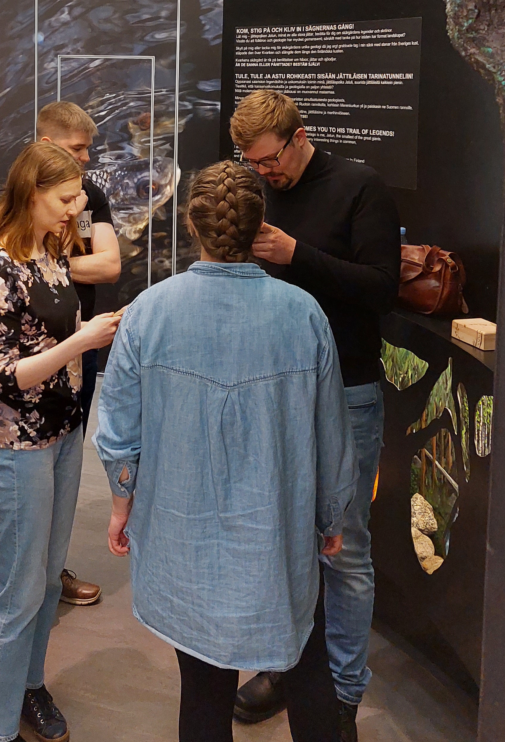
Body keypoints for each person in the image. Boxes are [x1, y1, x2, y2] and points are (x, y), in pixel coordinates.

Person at [93, 161, 359, 742]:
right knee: (309, 664)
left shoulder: (148, 313)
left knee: (204, 687)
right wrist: (333, 514)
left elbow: (117, 431)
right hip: (279, 532)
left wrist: (121, 503)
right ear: (258, 225)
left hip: (185, 539)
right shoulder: (303, 315)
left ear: (192, 223)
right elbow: (331, 432)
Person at [228, 90, 401, 742]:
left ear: (300, 136)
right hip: (273, 392)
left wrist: (298, 255)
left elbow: (380, 290)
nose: (263, 174)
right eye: (252, 165)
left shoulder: (361, 187)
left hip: (347, 393)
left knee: (345, 551)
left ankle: (344, 693)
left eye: (269, 161)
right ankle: (285, 668)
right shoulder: (261, 193)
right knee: (282, 543)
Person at [0, 141, 120, 742]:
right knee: (19, 591)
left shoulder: (51, 252)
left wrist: (92, 332)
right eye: (64, 199)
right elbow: (5, 373)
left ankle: (29, 686)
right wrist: (83, 342)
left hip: (62, 433)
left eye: (79, 197)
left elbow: (54, 338)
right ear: (32, 193)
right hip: (19, 445)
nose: (75, 210)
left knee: (47, 575)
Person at [37, 100, 123, 607]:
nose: (88, 158)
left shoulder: (90, 195)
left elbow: (109, 265)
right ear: (47, 147)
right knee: (35, 466)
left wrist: (53, 264)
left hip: (82, 345)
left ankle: (53, 571)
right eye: (77, 149)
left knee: (69, 457)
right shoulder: (15, 196)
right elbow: (17, 263)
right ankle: (35, 579)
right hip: (39, 351)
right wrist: (64, 265)